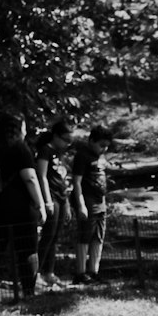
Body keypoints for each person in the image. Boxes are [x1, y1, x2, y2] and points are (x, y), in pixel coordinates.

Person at [0, 110, 47, 304]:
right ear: (19, 129)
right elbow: (30, 178)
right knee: (27, 251)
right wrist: (41, 205)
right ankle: (29, 294)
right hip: (19, 209)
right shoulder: (20, 148)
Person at [34, 118, 74, 290]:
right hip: (50, 198)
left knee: (55, 236)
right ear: (56, 136)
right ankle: (35, 274)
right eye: (65, 139)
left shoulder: (59, 154)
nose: (67, 143)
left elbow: (62, 178)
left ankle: (49, 273)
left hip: (61, 197)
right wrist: (47, 200)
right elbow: (41, 176)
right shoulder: (45, 151)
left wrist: (67, 203)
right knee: (48, 236)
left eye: (69, 141)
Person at [71, 124, 113, 285]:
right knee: (85, 235)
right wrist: (80, 204)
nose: (104, 149)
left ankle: (93, 271)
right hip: (87, 202)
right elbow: (77, 181)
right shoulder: (82, 156)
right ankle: (80, 272)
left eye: (106, 146)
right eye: (101, 145)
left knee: (98, 236)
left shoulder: (100, 157)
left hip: (100, 202)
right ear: (91, 141)